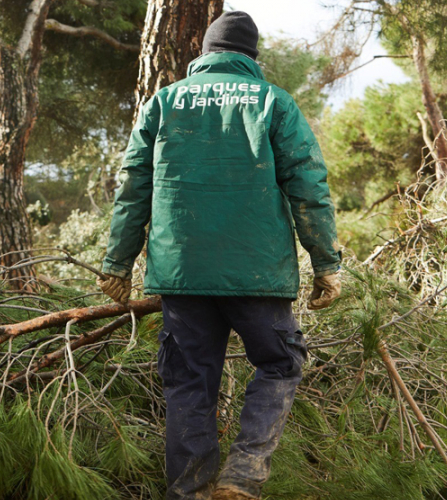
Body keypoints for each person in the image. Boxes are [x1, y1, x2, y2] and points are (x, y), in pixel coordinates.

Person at [96, 10, 342, 500]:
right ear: (252, 57)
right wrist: (326, 263)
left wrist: (117, 264)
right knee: (280, 362)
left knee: (189, 381)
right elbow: (308, 185)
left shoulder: (164, 102)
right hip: (256, 273)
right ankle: (243, 474)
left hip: (182, 273)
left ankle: (190, 492)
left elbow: (133, 189)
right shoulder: (274, 102)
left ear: (205, 54)